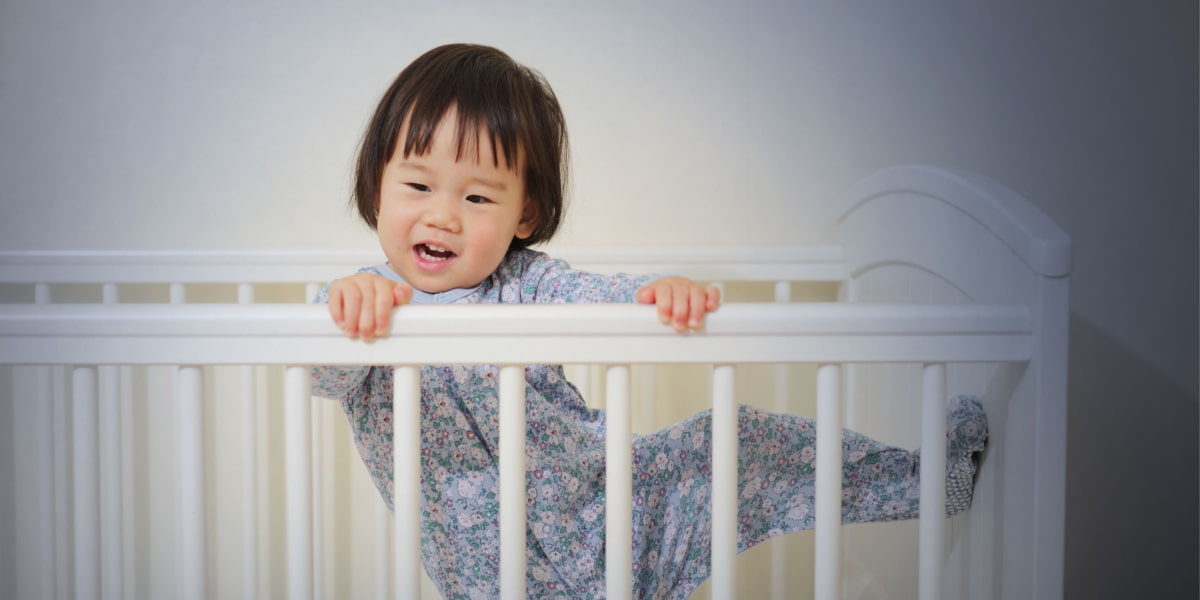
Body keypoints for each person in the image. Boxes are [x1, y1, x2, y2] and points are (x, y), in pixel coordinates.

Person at [311, 43, 987, 600]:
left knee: (740, 441)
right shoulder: (368, 311)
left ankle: (929, 480)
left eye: (478, 195)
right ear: (376, 185)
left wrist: (655, 296)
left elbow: (596, 295)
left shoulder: (529, 283)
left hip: (619, 520)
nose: (443, 215)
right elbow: (319, 368)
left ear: (525, 214)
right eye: (418, 185)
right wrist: (344, 315)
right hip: (496, 582)